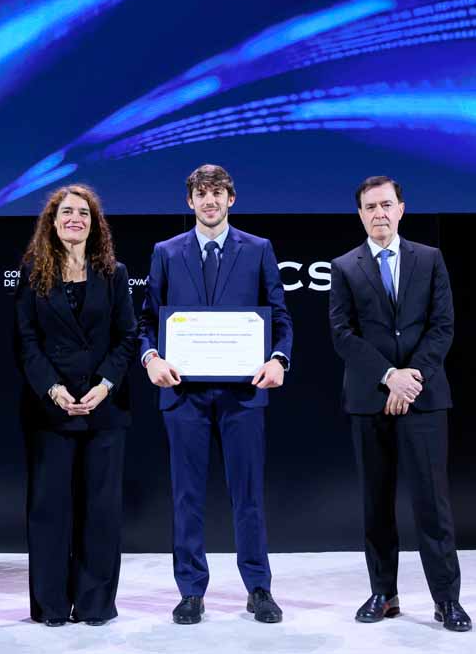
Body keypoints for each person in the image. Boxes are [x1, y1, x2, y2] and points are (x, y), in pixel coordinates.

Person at [139, 164, 293, 625]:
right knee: (186, 495)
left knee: (247, 495)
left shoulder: (259, 249)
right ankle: (191, 591)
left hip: (243, 394)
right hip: (183, 394)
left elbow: (280, 320)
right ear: (190, 202)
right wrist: (152, 359)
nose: (209, 201)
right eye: (201, 194)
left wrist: (278, 359)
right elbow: (148, 322)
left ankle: (258, 588)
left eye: (218, 192)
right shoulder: (165, 252)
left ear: (232, 199)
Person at [328, 176, 472, 632]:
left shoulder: (429, 260)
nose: (379, 214)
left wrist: (411, 379)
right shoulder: (345, 266)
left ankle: (447, 601)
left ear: (402, 209)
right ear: (360, 214)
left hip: (424, 399)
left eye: (386, 205)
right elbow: (342, 334)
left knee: (432, 505)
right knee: (376, 504)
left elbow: (442, 326)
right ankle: (383, 594)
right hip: (370, 401)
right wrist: (389, 376)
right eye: (370, 207)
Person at [14, 184, 137, 626]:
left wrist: (104, 385)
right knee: (49, 511)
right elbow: (26, 342)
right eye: (66, 213)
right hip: (50, 410)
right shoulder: (33, 272)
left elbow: (127, 336)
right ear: (52, 220)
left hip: (105, 409)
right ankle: (50, 605)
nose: (74, 220)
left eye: (83, 214)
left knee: (100, 511)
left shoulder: (114, 272)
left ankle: (95, 604)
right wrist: (53, 389)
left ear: (94, 222)